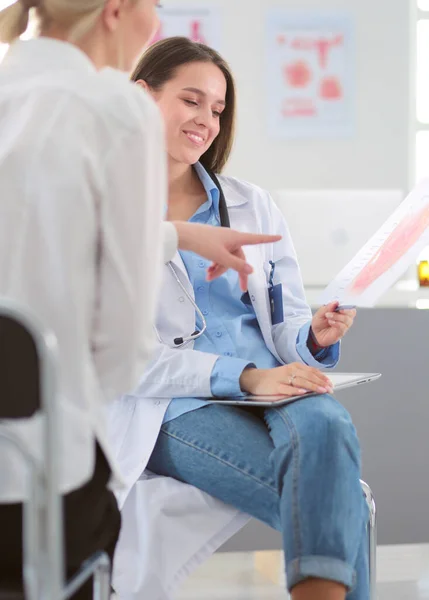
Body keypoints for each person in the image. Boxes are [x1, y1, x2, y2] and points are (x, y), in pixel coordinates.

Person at [0, 3, 279, 597]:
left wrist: (176, 235)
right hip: (40, 482)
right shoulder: (114, 110)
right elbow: (121, 357)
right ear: (116, 11)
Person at [110, 37, 367, 600]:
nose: (206, 120)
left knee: (328, 422)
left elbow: (285, 319)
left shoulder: (251, 202)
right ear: (141, 97)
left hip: (271, 386)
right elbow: (120, 358)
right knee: (347, 503)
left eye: (218, 109)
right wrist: (246, 377)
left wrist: (312, 336)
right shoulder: (105, 209)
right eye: (191, 100)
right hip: (169, 406)